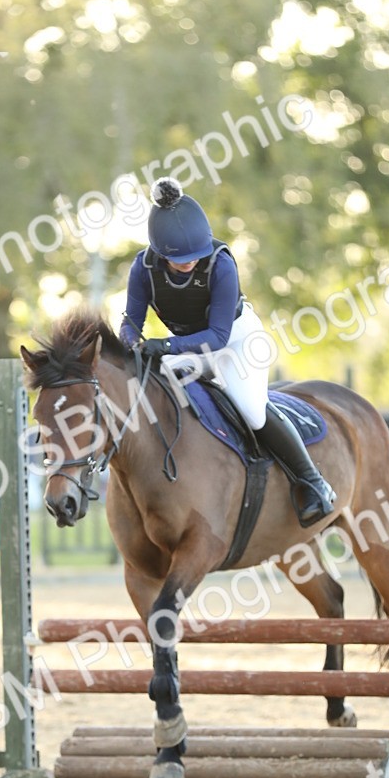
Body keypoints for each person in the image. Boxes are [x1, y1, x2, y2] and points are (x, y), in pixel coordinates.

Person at [119, 177, 335, 526]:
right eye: (180, 259)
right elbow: (130, 321)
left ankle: (313, 482)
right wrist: (134, 346)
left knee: (252, 411)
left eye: (195, 255)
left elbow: (218, 336)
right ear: (160, 253)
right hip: (189, 348)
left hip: (236, 341)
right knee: (153, 391)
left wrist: (165, 346)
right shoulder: (142, 269)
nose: (190, 262)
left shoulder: (220, 264)